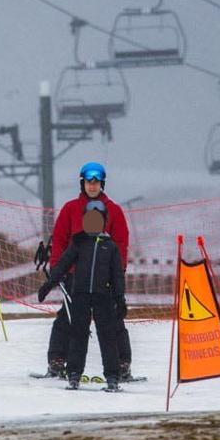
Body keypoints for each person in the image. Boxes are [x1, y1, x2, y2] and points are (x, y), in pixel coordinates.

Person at [42, 161, 133, 379]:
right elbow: (61, 241)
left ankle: (122, 363)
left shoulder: (114, 211)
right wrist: (57, 270)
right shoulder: (70, 209)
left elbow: (120, 243)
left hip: (104, 277)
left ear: (102, 184)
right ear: (83, 183)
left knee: (112, 320)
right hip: (76, 275)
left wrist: (117, 271)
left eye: (97, 182)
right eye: (89, 182)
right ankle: (57, 360)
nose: (92, 186)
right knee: (68, 317)